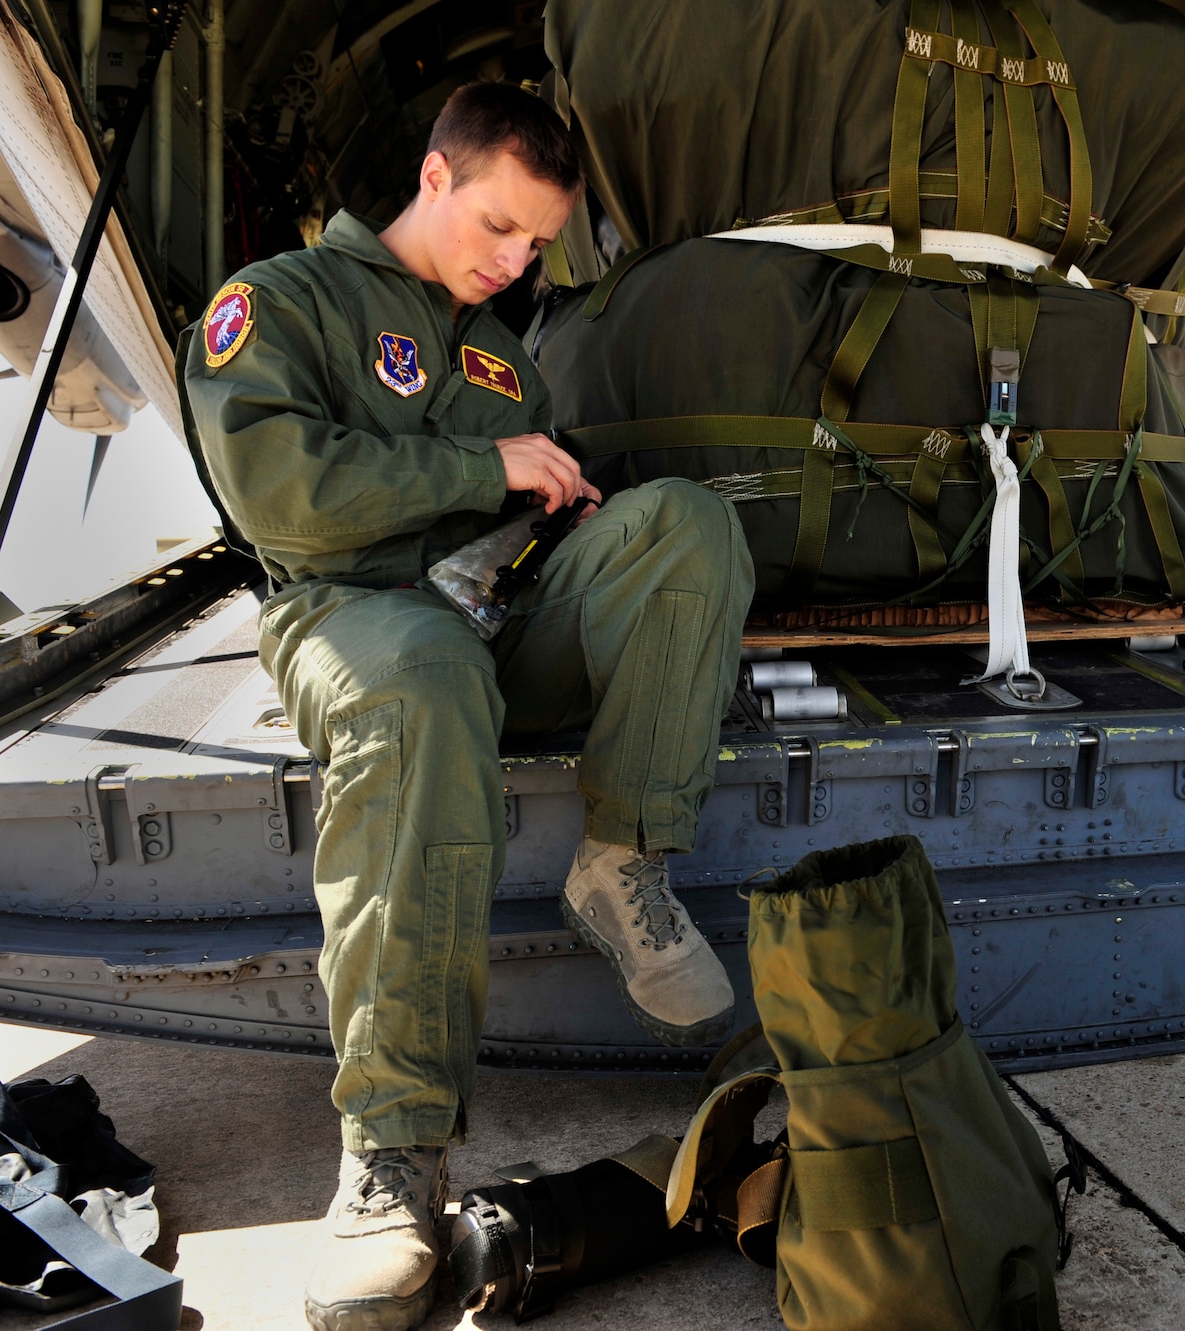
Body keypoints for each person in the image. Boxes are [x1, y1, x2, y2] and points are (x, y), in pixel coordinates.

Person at [181, 82, 754, 1331]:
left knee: (688, 525)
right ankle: (392, 1154)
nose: (515, 259)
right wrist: (478, 464)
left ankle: (623, 862)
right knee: (428, 674)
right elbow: (284, 497)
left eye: (538, 244)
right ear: (434, 176)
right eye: (498, 225)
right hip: (352, 610)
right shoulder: (279, 302)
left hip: (496, 614)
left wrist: (576, 517)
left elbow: (532, 502)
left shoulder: (500, 351)